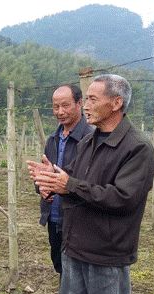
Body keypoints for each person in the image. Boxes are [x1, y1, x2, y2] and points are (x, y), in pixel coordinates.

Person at [28, 74, 154, 294]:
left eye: (92, 99)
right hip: (75, 246)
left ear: (116, 103)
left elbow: (124, 198)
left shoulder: (137, 147)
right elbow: (71, 180)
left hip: (106, 253)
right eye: (85, 99)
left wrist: (69, 185)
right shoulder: (89, 141)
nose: (85, 106)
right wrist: (50, 182)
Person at [36, 84, 93, 279]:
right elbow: (46, 174)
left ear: (80, 104)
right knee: (59, 265)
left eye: (65, 106)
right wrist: (42, 186)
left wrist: (64, 184)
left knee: (78, 272)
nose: (60, 112)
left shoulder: (92, 139)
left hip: (79, 218)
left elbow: (94, 182)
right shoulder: (53, 139)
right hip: (54, 216)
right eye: (55, 107)